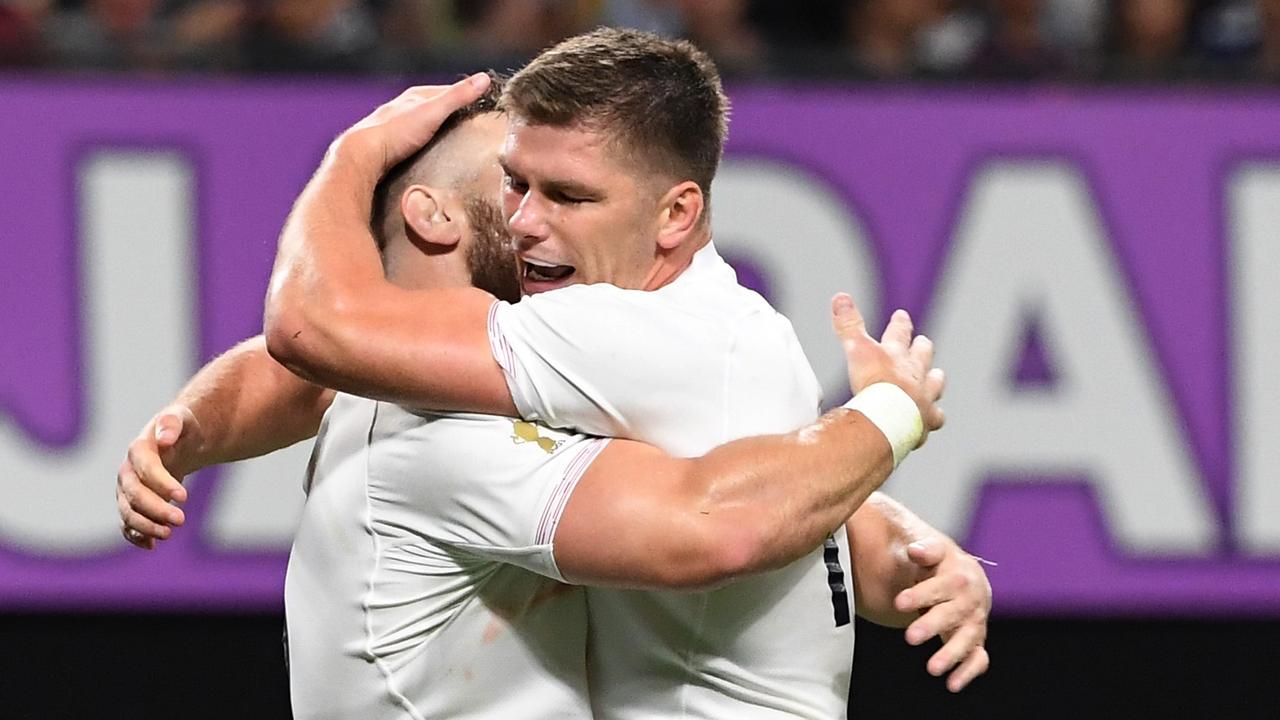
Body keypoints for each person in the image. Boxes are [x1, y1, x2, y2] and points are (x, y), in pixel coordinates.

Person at [122, 28, 990, 714]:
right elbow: (311, 370)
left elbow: (310, 331)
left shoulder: (595, 352)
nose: (529, 220)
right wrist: (187, 430)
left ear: (675, 214)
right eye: (514, 186)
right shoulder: (625, 341)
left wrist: (352, 153)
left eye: (567, 196)